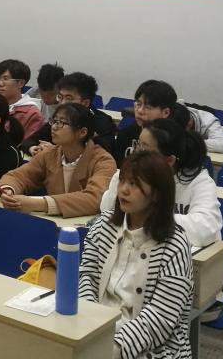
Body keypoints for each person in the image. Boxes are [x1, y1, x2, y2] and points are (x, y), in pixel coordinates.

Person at [79, 151, 193, 359]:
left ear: (156, 193)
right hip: (96, 333)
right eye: (122, 180)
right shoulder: (104, 225)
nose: (123, 189)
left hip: (153, 349)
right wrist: (89, 326)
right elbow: (86, 276)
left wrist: (112, 349)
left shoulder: (175, 245)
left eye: (134, 184)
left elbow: (160, 319)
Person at [100, 119, 220, 249]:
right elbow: (107, 209)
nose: (136, 153)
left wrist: (145, 217)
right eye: (137, 144)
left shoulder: (199, 182)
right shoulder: (128, 176)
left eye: (144, 148)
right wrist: (122, 177)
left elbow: (206, 229)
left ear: (169, 161)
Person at [0, 103, 115, 217]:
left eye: (61, 123)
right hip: (54, 221)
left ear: (82, 132)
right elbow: (19, 176)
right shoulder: (49, 154)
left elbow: (95, 198)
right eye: (54, 121)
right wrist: (8, 190)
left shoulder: (103, 161)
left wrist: (39, 204)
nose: (53, 127)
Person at [22, 71, 116, 157]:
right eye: (60, 97)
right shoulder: (58, 118)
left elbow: (103, 155)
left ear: (85, 103)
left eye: (69, 98)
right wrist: (33, 148)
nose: (62, 103)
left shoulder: (102, 122)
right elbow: (29, 141)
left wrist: (56, 151)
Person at [113, 80, 176, 162]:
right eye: (138, 104)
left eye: (148, 107)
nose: (140, 111)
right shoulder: (125, 134)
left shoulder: (174, 140)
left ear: (166, 112)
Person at [0, 59, 43, 140]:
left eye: (5, 79)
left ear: (21, 83)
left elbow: (27, 144)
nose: (0, 83)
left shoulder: (32, 114)